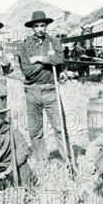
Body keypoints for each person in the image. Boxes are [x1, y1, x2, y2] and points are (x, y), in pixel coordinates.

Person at [18, 10, 70, 162]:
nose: (40, 29)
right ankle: (42, 161)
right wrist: (48, 60)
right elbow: (27, 71)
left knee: (60, 127)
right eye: (37, 26)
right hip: (32, 90)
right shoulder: (26, 45)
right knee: (35, 130)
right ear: (32, 27)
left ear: (46, 26)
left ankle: (68, 160)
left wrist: (39, 58)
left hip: (50, 89)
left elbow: (60, 59)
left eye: (43, 25)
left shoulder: (54, 42)